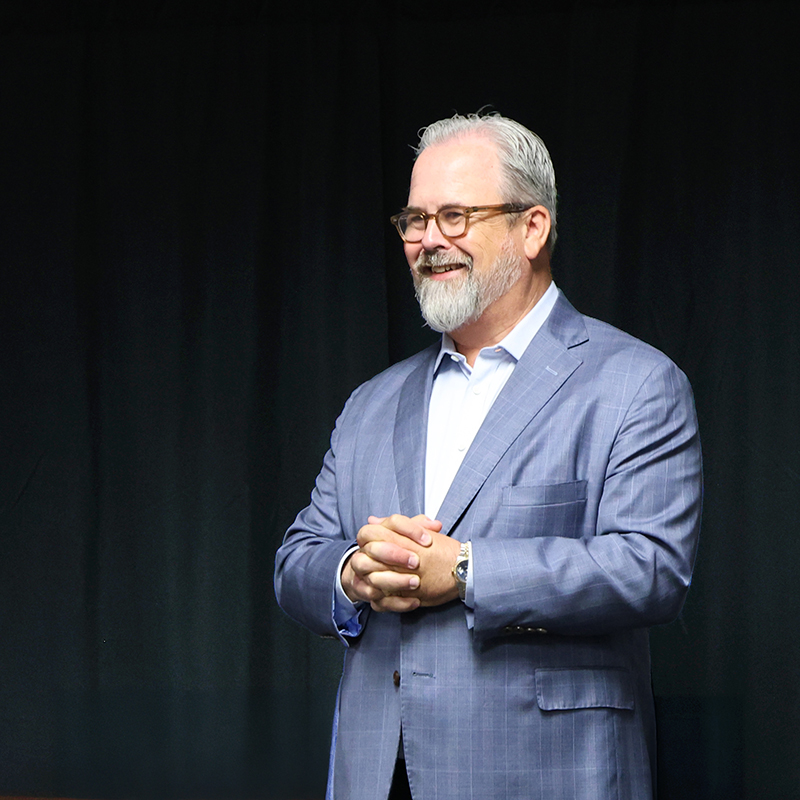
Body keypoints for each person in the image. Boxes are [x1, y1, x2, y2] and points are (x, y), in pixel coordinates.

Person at [274, 112, 702, 800]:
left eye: (454, 216)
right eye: (414, 221)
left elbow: (651, 568)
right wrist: (356, 572)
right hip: (377, 775)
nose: (428, 241)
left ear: (532, 228)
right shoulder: (371, 403)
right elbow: (297, 559)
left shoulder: (636, 383)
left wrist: (469, 571)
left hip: (548, 775)